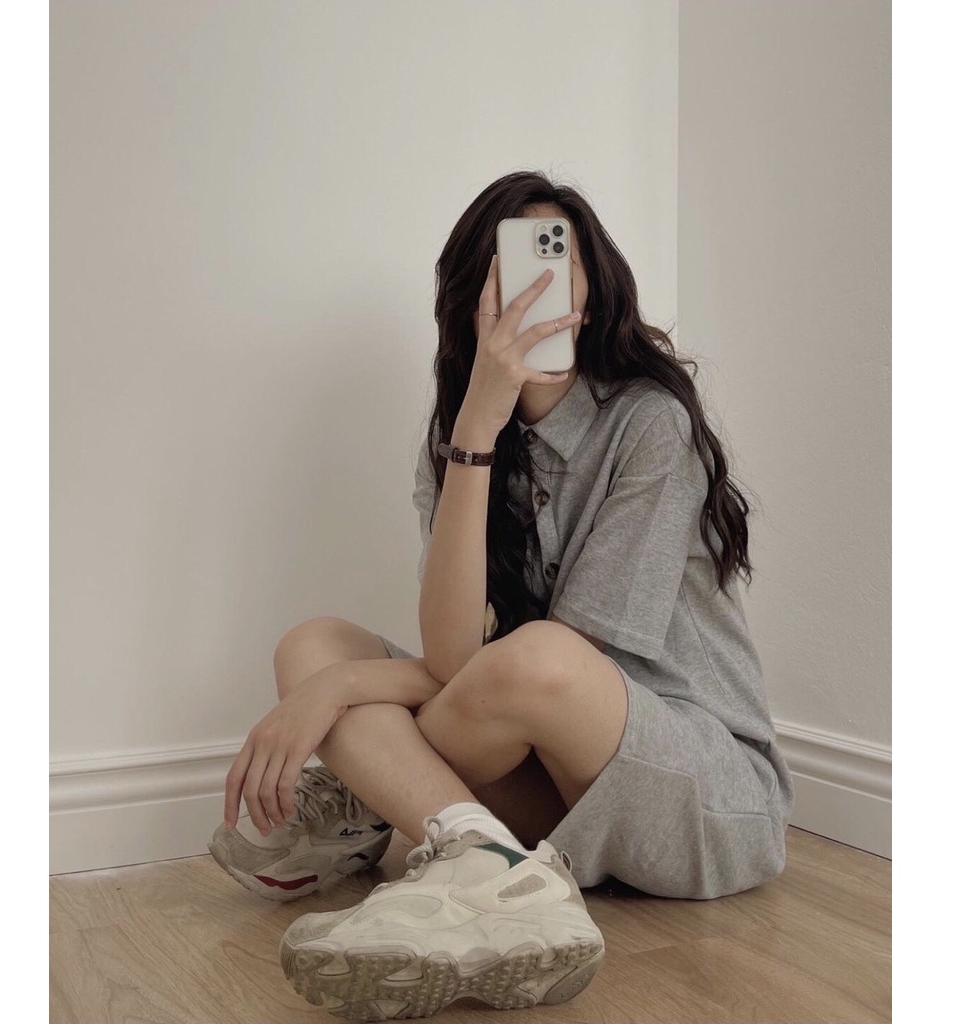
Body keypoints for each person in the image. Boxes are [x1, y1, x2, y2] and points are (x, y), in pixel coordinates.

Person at [209, 170, 793, 1021]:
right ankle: (489, 865)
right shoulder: (459, 433)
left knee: (522, 661)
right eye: (511, 271)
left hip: (700, 791)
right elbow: (457, 658)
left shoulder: (649, 422)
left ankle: (376, 801)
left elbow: (553, 664)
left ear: (592, 293)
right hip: (542, 760)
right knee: (311, 644)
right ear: (470, 299)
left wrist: (339, 695)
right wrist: (478, 428)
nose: (534, 292)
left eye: (555, 265)